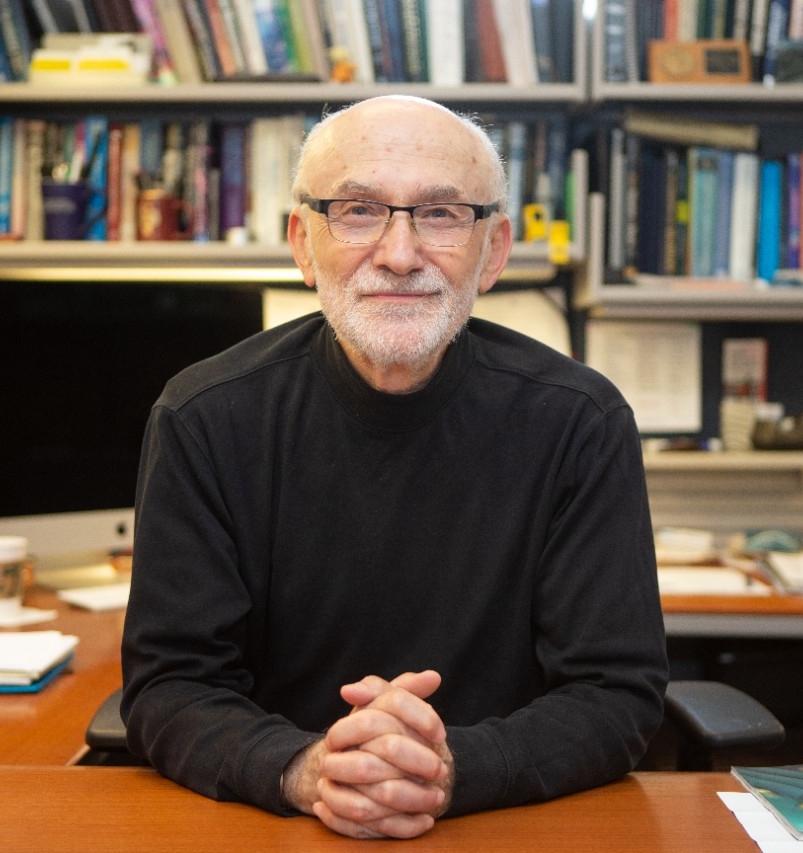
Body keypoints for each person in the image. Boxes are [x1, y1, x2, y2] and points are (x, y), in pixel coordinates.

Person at [121, 95, 668, 840]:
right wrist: (305, 767)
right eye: (357, 210)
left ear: (494, 250)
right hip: (276, 826)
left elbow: (615, 692)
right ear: (303, 243)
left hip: (500, 826)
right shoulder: (204, 416)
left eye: (441, 215)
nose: (400, 254)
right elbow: (170, 684)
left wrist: (450, 768)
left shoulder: (580, 421)